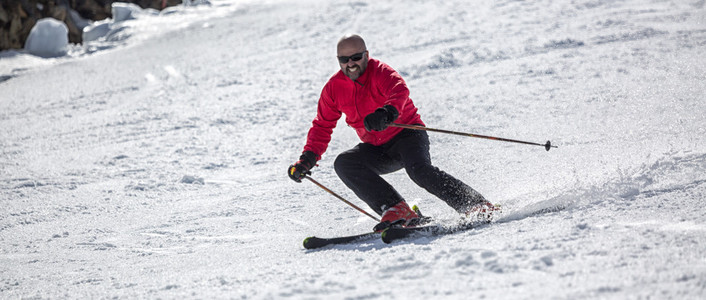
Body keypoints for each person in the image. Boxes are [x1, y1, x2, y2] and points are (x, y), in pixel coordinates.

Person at [288, 34, 497, 232]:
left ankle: (476, 205)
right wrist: (307, 159)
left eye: (356, 57)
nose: (350, 63)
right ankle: (397, 210)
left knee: (420, 171)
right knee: (345, 163)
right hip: (377, 148)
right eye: (344, 59)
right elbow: (322, 126)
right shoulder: (334, 89)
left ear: (366, 55)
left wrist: (387, 113)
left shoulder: (380, 72)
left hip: (408, 136)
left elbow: (399, 90)